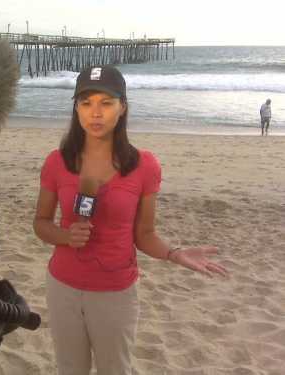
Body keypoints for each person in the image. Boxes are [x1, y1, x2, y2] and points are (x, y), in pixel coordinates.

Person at [32, 65, 229, 375]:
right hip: (63, 288)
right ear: (76, 108)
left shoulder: (144, 166)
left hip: (115, 293)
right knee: (69, 368)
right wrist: (65, 236)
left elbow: (145, 234)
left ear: (122, 108)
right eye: (86, 103)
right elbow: (41, 222)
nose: (95, 113)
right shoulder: (57, 162)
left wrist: (175, 253)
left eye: (106, 103)